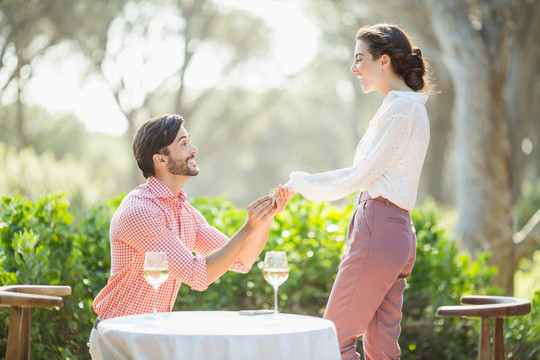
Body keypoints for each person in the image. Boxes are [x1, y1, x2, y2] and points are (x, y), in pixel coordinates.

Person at [281, 24, 431, 359]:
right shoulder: (403, 107)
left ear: (384, 61)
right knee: (380, 348)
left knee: (331, 340)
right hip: (394, 231)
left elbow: (361, 175)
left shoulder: (402, 110)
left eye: (360, 58)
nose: (354, 68)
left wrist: (302, 183)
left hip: (380, 227)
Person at [89, 114, 288, 359]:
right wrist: (248, 228)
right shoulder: (141, 210)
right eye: (183, 144)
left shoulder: (183, 211)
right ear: (160, 159)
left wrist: (264, 219)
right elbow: (198, 275)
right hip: (119, 340)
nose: (193, 149)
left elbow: (242, 261)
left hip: (150, 339)